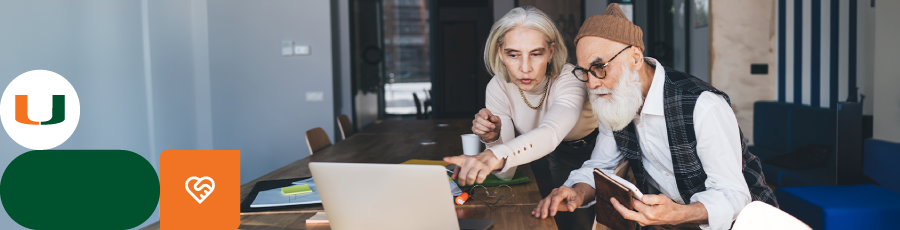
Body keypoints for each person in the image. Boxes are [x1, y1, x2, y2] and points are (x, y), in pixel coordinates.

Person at [531, 4, 778, 230]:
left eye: (600, 68)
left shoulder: (703, 106)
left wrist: (679, 214)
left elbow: (734, 195)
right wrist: (577, 192)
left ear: (636, 58)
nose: (593, 84)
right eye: (585, 72)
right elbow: (602, 167)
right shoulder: (615, 101)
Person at [442, 6, 599, 230]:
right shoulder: (498, 87)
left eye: (536, 54)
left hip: (597, 154)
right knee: (557, 221)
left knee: (591, 223)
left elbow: (551, 133)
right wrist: (492, 138)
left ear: (551, 52)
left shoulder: (570, 79)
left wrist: (492, 154)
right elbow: (506, 174)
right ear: (500, 53)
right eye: (513, 54)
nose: (525, 68)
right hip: (552, 155)